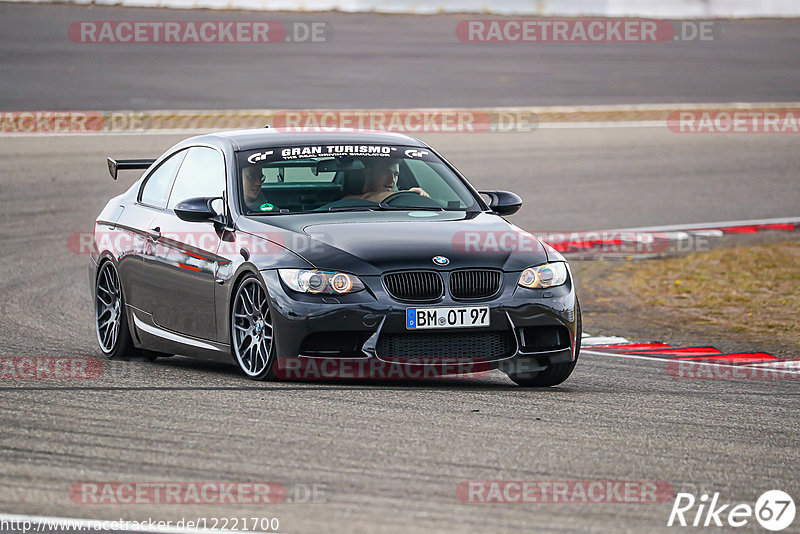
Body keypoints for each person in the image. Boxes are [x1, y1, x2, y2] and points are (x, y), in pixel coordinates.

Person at [344, 158, 428, 203]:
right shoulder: (345, 201)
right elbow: (364, 198)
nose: (391, 179)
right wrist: (406, 194)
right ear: (368, 172)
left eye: (395, 175)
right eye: (385, 172)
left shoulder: (402, 205)